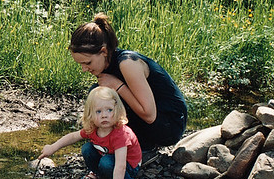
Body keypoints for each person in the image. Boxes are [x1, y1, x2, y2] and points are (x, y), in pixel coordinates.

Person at [68, 13, 187, 158]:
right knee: (97, 93)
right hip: (152, 121)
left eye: (87, 63)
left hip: (168, 126)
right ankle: (110, 143)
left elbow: (150, 115)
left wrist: (117, 85)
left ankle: (142, 148)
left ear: (104, 52)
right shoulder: (106, 65)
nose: (84, 69)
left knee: (103, 92)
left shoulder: (127, 63)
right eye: (80, 64)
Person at [39, 86, 142, 179]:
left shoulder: (120, 133)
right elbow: (73, 136)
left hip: (129, 165)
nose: (104, 115)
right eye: (98, 111)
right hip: (109, 157)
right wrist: (53, 147)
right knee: (87, 148)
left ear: (118, 110)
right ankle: (98, 173)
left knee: (107, 163)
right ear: (90, 114)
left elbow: (121, 166)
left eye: (109, 110)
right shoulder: (94, 128)